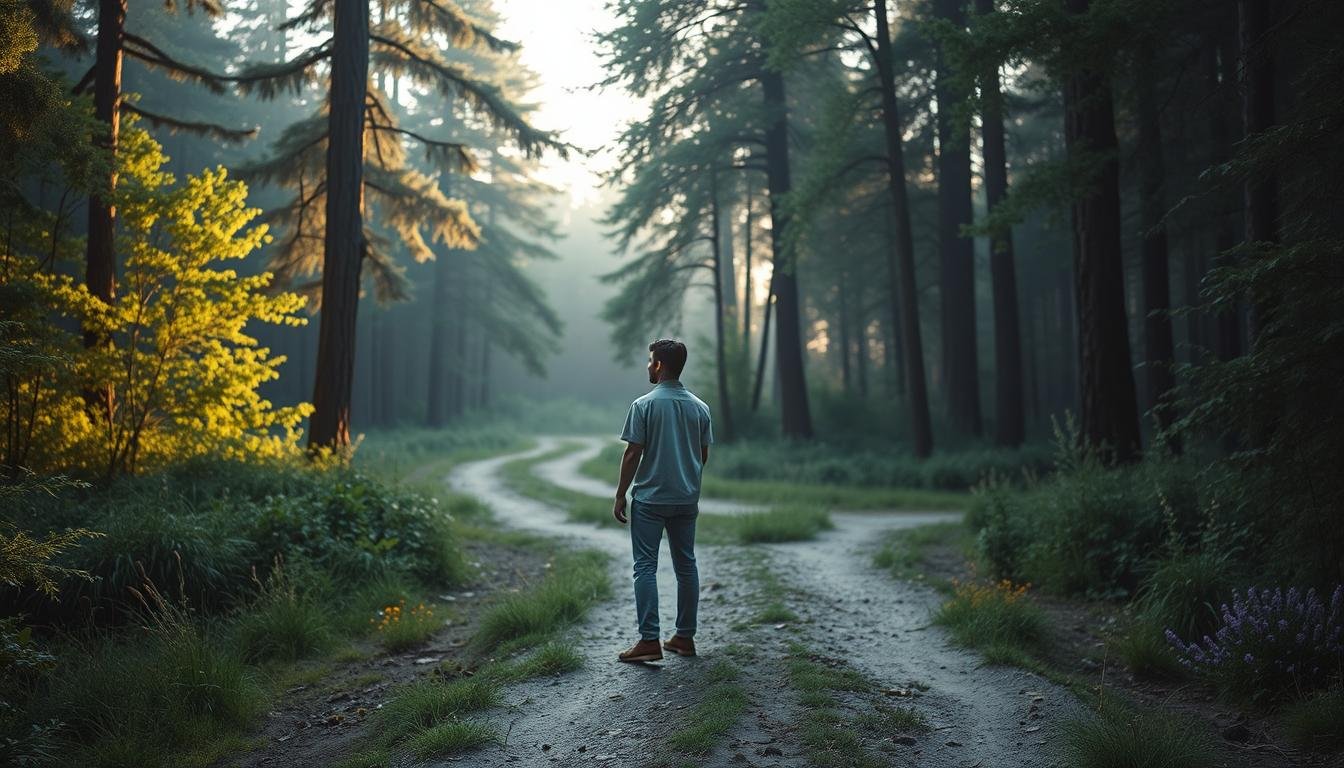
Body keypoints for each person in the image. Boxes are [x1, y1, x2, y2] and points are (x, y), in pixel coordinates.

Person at [612, 339, 713, 663]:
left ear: (658, 365)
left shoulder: (643, 405)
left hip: (651, 499)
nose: (647, 366)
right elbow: (702, 455)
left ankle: (649, 640)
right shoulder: (700, 407)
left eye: (649, 361)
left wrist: (620, 494)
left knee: (645, 567)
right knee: (687, 566)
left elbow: (632, 454)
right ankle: (684, 638)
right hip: (685, 499)